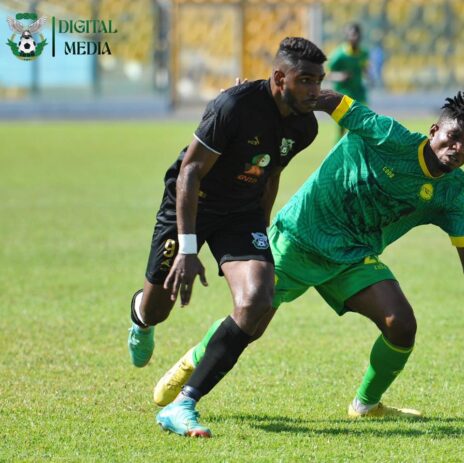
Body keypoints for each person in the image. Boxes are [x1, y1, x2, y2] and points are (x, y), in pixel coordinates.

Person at [153, 89, 464, 437]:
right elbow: (325, 100)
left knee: (401, 324)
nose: (459, 149)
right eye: (453, 138)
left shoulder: (454, 189)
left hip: (353, 256)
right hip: (300, 238)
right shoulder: (386, 135)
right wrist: (251, 106)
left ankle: (366, 405)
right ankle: (192, 362)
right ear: (434, 130)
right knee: (251, 321)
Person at [127, 37, 326, 385]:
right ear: (280, 78)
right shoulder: (234, 106)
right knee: (158, 309)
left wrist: (259, 231)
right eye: (305, 80)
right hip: (191, 203)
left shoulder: (305, 127)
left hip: (241, 212)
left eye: (319, 81)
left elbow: (271, 173)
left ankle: (190, 395)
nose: (315, 90)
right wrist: (188, 250)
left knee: (259, 298)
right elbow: (189, 172)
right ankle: (141, 318)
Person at [327, 22, 370, 139]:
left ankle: (358, 150)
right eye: (352, 35)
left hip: (358, 92)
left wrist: (368, 75)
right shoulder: (339, 55)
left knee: (362, 122)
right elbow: (328, 74)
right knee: (342, 126)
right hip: (343, 93)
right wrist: (340, 76)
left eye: (357, 35)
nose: (354, 38)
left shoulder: (364, 53)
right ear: (347, 36)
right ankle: (339, 151)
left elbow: (365, 68)